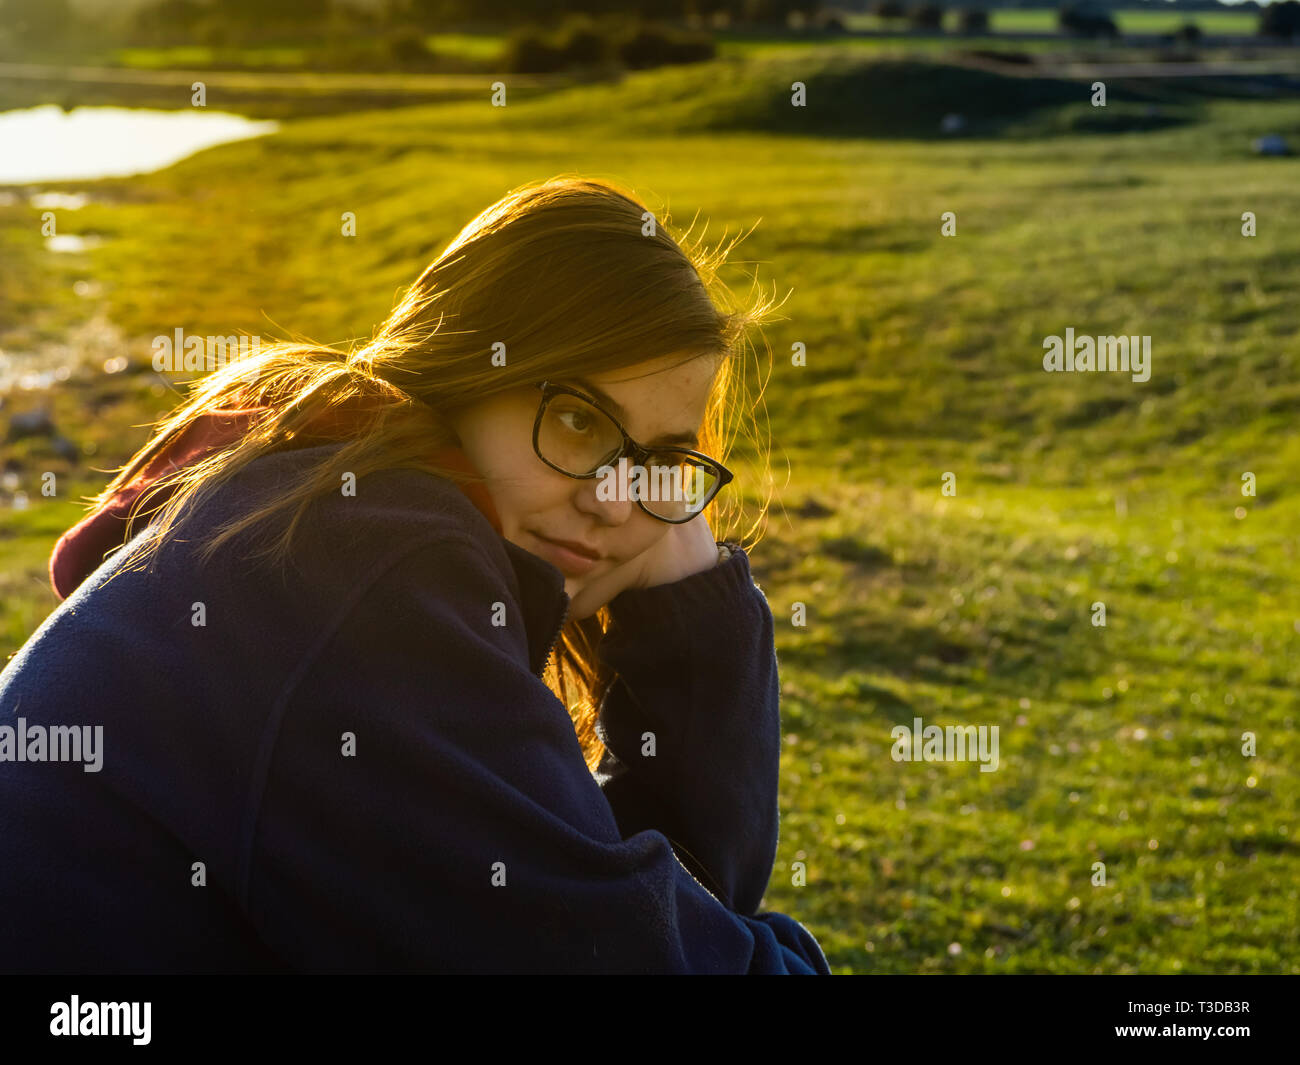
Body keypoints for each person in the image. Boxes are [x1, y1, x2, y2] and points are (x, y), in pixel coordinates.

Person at [0, 176, 831, 974]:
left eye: (660, 464)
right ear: (467, 370)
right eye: (580, 420)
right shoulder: (367, 563)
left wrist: (691, 600)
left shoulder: (334, 502)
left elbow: (642, 908)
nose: (617, 503)